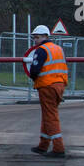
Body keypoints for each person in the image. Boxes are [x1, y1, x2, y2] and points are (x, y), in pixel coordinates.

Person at [26, 24, 68, 157]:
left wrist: (33, 77)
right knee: (48, 115)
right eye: (34, 38)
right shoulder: (58, 49)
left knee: (51, 117)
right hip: (60, 85)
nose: (35, 40)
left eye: (36, 37)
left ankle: (58, 148)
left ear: (45, 36)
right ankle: (43, 145)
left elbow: (35, 70)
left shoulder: (41, 50)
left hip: (47, 86)